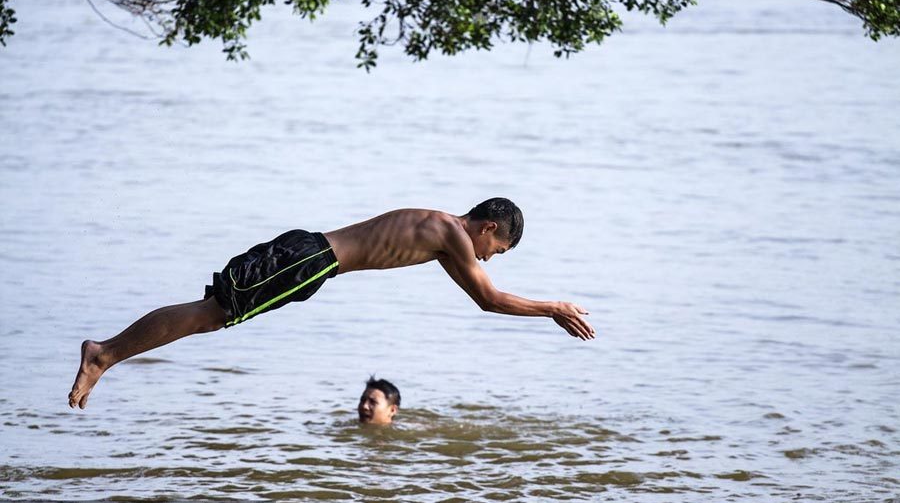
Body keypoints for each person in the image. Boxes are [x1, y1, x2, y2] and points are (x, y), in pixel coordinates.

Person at [68, 197, 595, 409]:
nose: (488, 257)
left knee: (212, 317)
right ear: (487, 228)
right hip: (309, 260)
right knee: (210, 314)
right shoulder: (452, 233)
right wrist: (553, 308)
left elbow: (482, 294)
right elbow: (489, 299)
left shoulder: (442, 236)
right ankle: (104, 354)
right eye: (495, 250)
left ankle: (107, 354)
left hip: (310, 261)